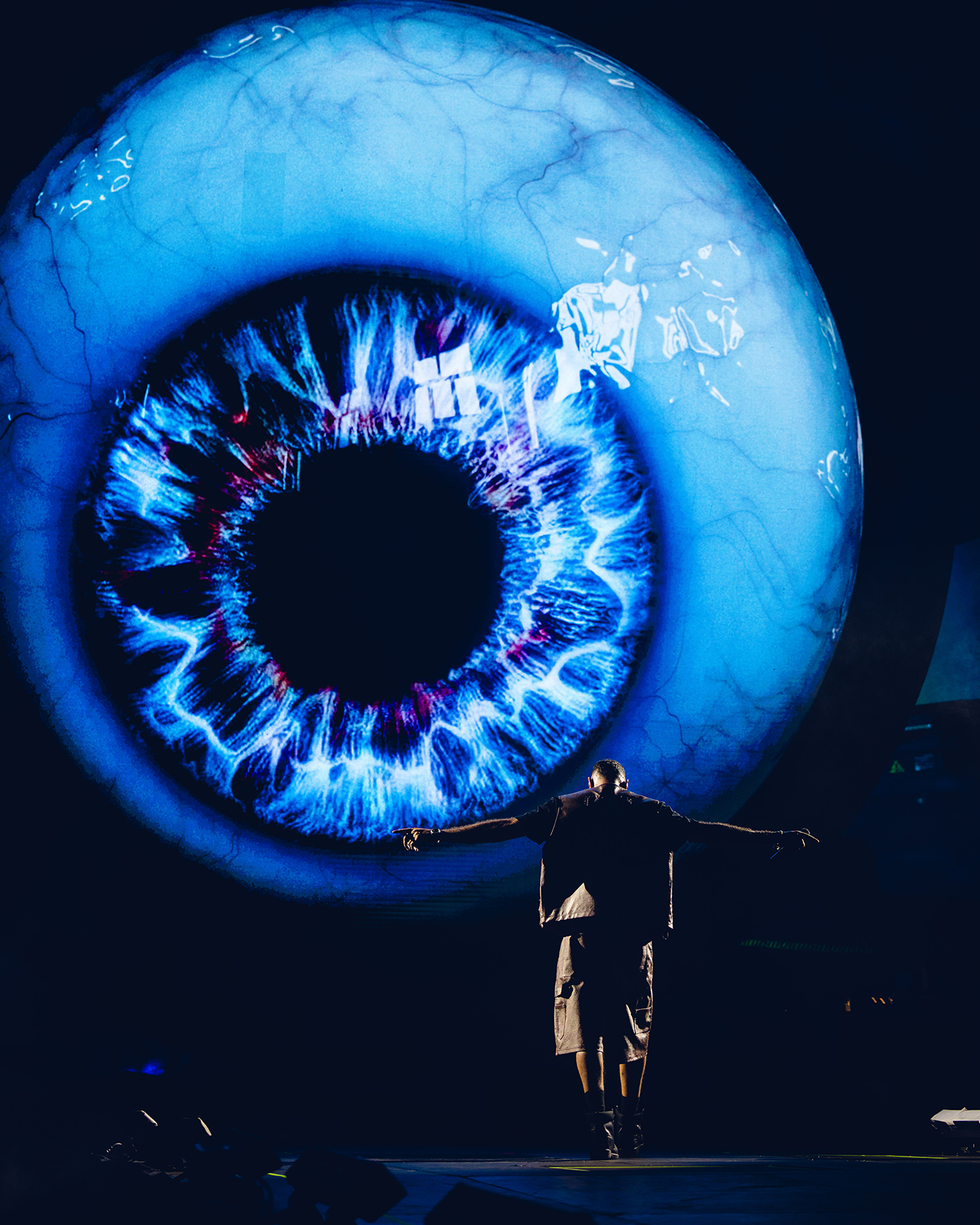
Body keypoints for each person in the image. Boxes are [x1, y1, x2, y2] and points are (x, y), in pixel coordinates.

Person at [396, 759, 817, 1159]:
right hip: (632, 936)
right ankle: (631, 1123)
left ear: (591, 783)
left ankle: (599, 1128)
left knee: (585, 1030)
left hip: (583, 933)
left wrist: (438, 834)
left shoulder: (564, 808)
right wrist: (775, 836)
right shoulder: (651, 811)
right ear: (625, 784)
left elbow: (507, 827)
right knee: (632, 1030)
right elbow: (710, 831)